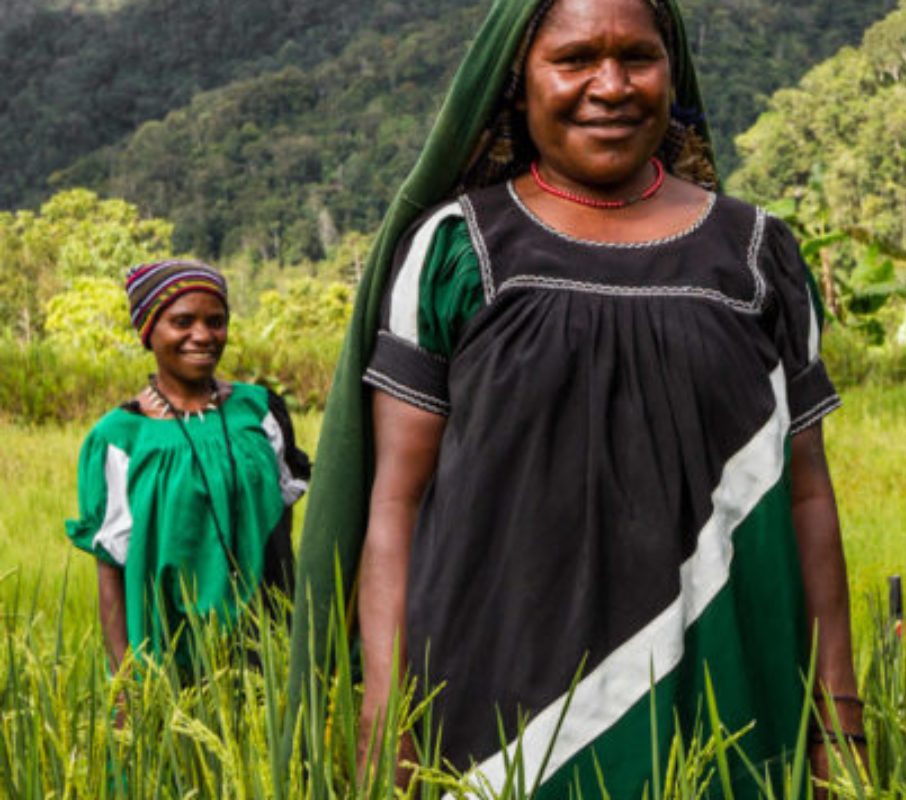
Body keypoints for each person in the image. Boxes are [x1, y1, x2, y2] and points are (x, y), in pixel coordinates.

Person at [287, 0, 863, 796]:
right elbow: (397, 503)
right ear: (517, 84)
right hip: (501, 721)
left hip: (729, 698)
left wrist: (840, 720)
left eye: (638, 56)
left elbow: (806, 496)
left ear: (674, 70)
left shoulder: (758, 256)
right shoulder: (460, 251)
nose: (611, 85)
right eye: (575, 59)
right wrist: (389, 719)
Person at [66, 259, 310, 678]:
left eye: (215, 322)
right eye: (182, 322)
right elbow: (110, 568)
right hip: (167, 655)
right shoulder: (119, 438)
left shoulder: (259, 411)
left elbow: (281, 526)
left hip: (266, 647)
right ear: (149, 333)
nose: (202, 335)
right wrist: (124, 681)